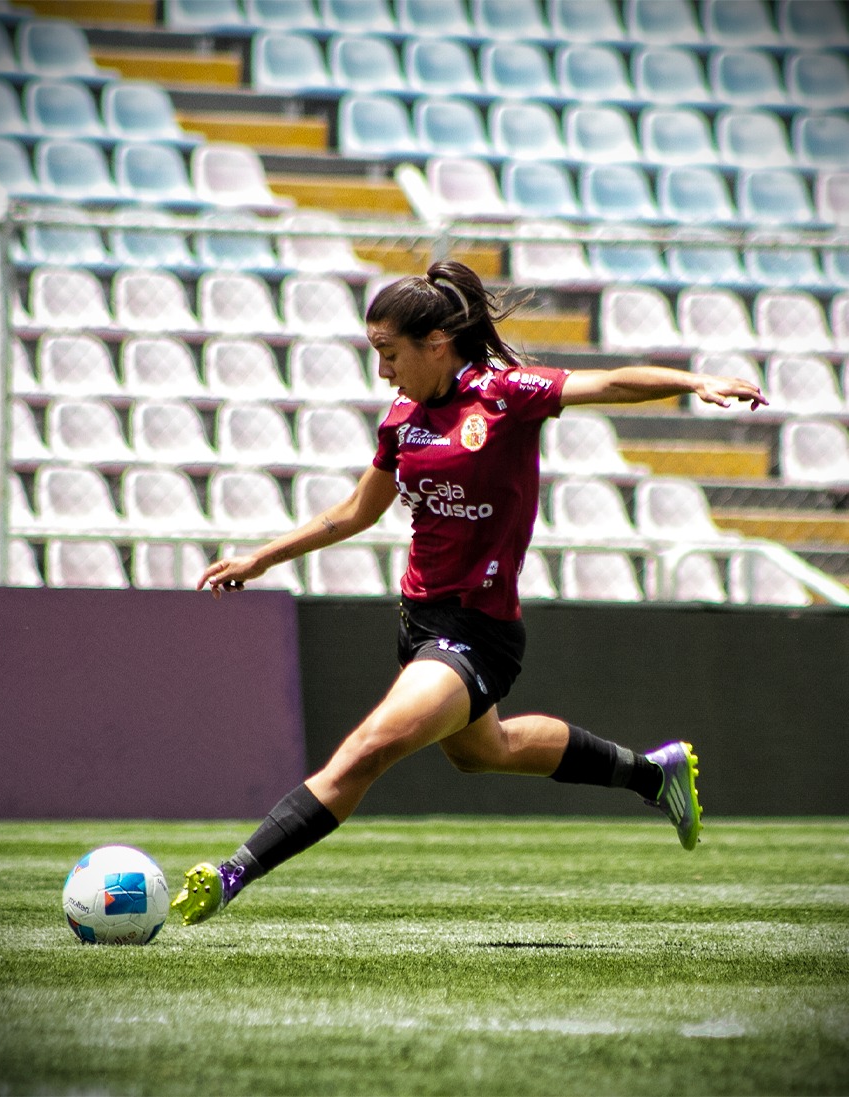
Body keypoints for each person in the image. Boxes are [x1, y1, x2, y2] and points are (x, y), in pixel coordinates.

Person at [172, 260, 767, 926]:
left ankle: (232, 872)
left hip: (476, 632)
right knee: (490, 750)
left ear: (436, 342)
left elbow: (609, 381)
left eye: (388, 353)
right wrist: (261, 556)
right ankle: (654, 776)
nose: (382, 372)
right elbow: (356, 512)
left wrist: (696, 381)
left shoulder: (505, 393)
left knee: (366, 751)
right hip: (419, 623)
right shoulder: (402, 419)